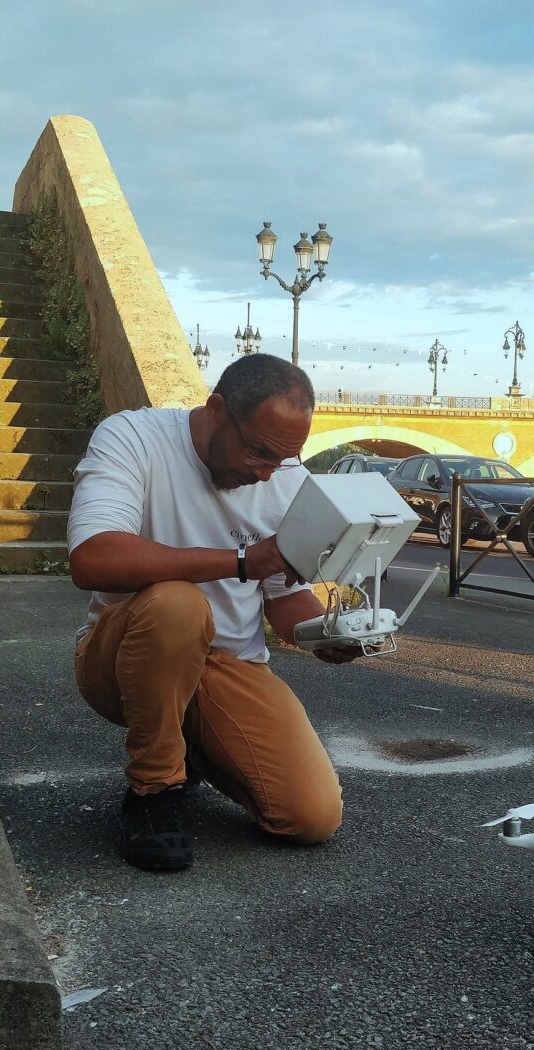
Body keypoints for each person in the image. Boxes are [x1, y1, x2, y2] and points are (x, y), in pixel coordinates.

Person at [67, 354, 358, 872]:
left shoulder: (284, 475)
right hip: (125, 654)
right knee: (178, 603)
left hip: (228, 666)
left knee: (312, 816)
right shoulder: (133, 438)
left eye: (283, 459)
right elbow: (92, 558)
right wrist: (242, 560)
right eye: (259, 453)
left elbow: (284, 597)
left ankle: (193, 745)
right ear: (217, 410)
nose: (268, 472)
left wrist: (326, 634)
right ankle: (153, 790)